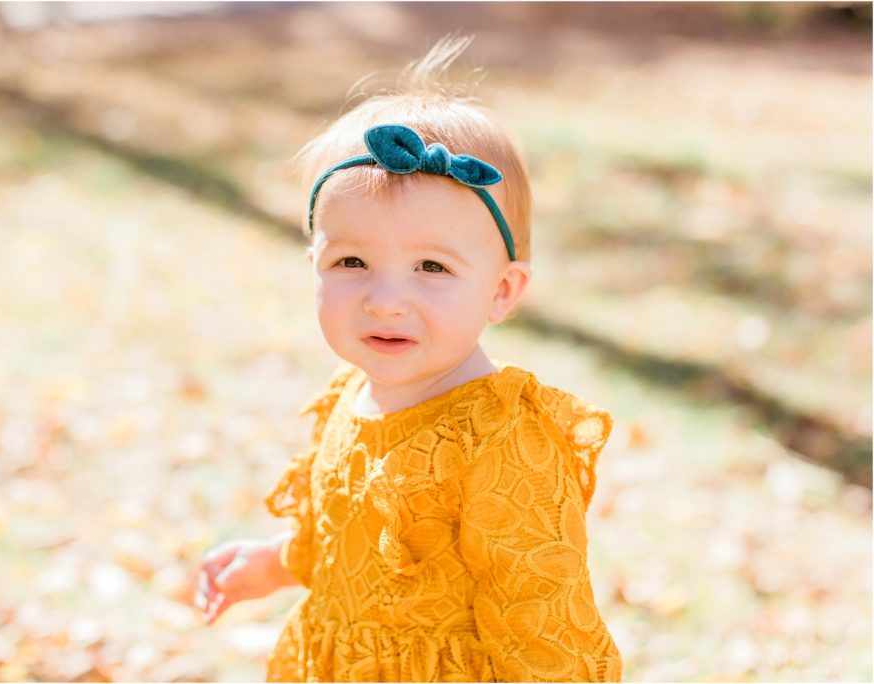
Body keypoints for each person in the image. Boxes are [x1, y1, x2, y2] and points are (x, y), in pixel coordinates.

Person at [193, 36, 623, 682]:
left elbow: (545, 622)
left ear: (501, 290)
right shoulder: (347, 399)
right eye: (352, 262)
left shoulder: (502, 441)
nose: (387, 300)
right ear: (314, 265)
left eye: (431, 266)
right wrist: (278, 562)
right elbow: (348, 538)